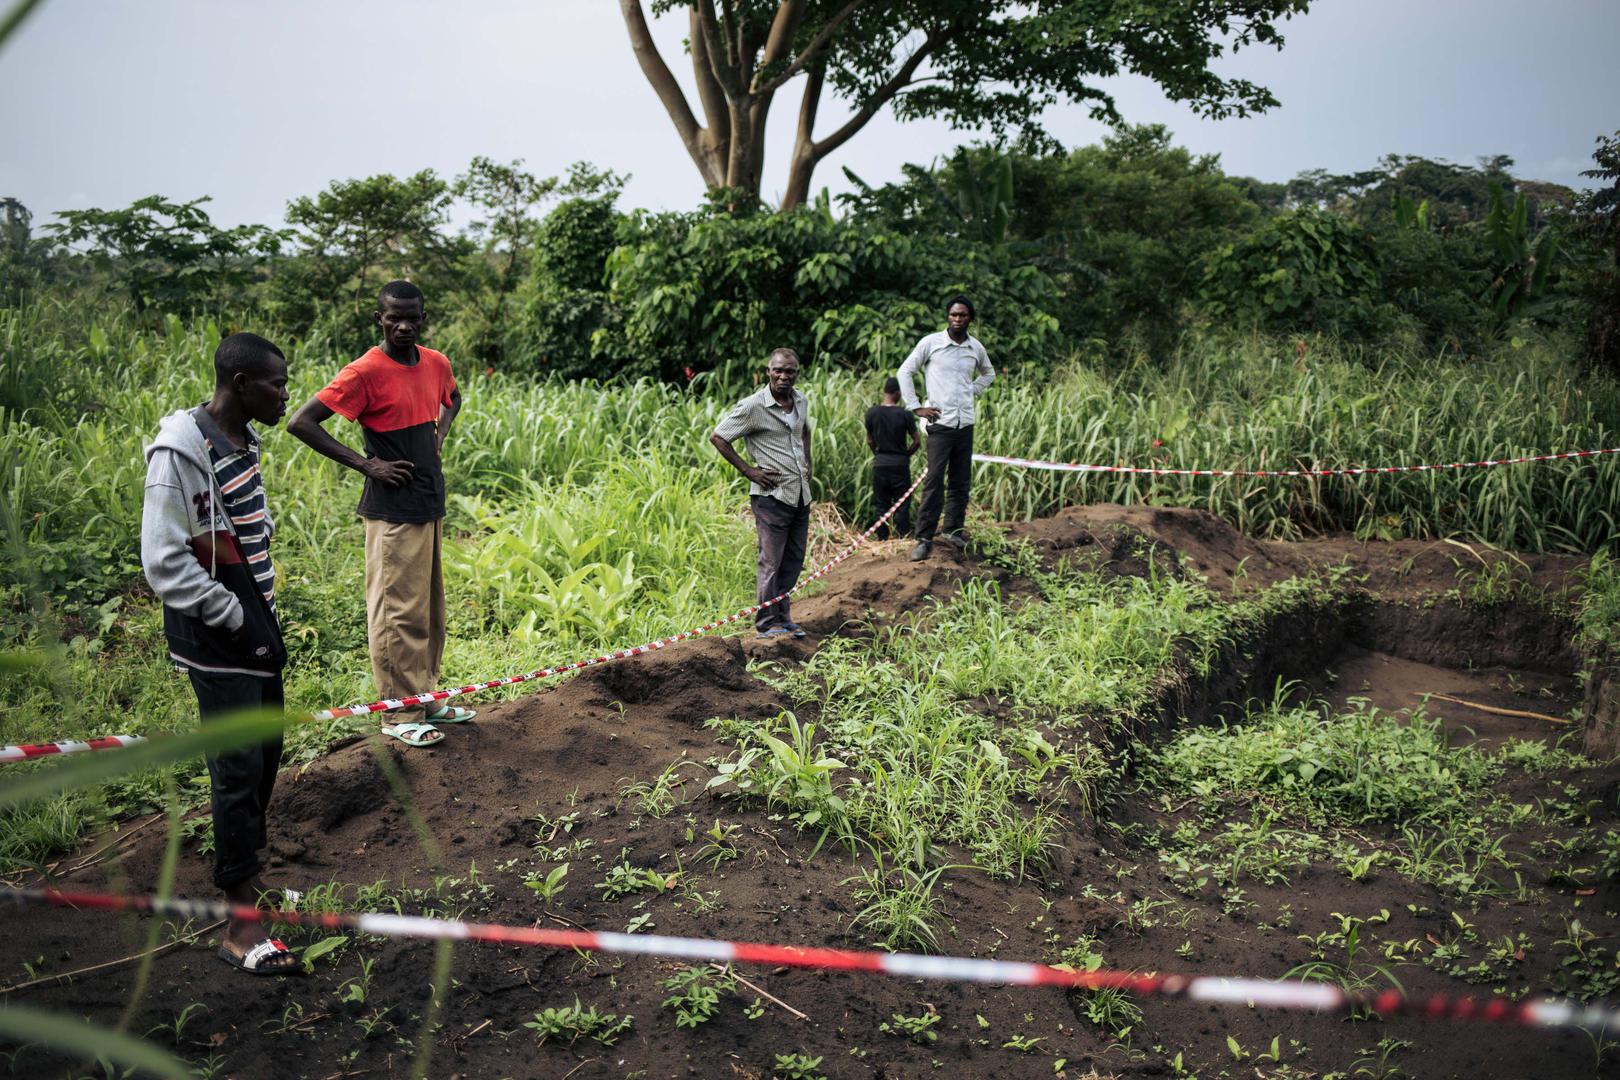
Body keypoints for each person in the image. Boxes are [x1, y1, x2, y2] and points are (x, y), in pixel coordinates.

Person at [141, 332, 300, 975]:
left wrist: (255, 607)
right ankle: (238, 926)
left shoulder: (241, 440)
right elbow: (162, 557)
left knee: (264, 756)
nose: (286, 394)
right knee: (235, 770)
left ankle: (247, 879)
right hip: (218, 632)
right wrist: (231, 614)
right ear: (240, 383)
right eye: (277, 384)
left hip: (251, 617)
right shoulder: (181, 452)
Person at [286, 280, 469, 749]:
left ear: (424, 319)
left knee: (428, 610)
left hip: (429, 501)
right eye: (394, 318)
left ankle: (425, 699)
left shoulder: (436, 363)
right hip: (391, 511)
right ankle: (397, 713)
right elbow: (301, 422)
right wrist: (367, 464)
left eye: (412, 317)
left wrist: (438, 437)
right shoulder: (363, 372)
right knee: (396, 613)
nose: (403, 326)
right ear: (379, 319)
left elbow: (454, 398)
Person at [711, 347, 813, 639]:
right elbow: (719, 436)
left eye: (789, 371)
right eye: (778, 370)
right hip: (771, 496)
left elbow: (804, 431)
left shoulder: (801, 400)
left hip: (800, 493)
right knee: (771, 560)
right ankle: (767, 623)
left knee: (794, 558)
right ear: (769, 371)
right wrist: (749, 471)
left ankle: (784, 616)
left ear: (796, 373)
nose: (783, 376)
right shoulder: (754, 406)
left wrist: (808, 467)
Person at [897, 295, 995, 561]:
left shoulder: (975, 348)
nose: (958, 319)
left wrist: (970, 391)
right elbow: (904, 372)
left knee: (960, 481)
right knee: (933, 481)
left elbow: (989, 374)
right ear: (947, 317)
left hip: (965, 423)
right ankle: (924, 538)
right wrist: (916, 406)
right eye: (953, 315)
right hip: (940, 423)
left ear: (970, 319)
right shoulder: (932, 343)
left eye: (963, 315)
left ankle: (953, 530)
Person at [864, 375, 919, 539]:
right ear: (897, 393)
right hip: (900, 465)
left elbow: (869, 440)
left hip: (880, 464)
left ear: (884, 391)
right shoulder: (904, 414)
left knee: (881, 504)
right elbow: (916, 441)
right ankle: (902, 537)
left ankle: (882, 539)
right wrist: (905, 455)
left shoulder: (872, 413)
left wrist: (878, 454)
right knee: (902, 502)